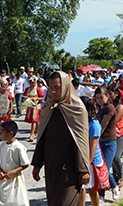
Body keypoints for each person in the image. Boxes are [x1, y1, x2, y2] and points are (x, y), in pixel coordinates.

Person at [31, 71, 90, 206]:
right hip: (52, 168)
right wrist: (37, 164)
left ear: (65, 86)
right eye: (51, 87)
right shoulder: (48, 108)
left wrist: (83, 169)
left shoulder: (77, 110)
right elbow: (42, 138)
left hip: (70, 170)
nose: (53, 91)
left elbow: (80, 142)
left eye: (57, 87)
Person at [0, 121, 30, 206]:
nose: (0, 133)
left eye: (2, 131)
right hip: (4, 179)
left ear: (10, 133)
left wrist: (13, 172)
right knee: (2, 201)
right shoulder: (2, 146)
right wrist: (0, 172)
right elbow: (0, 161)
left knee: (16, 200)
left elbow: (25, 164)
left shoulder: (18, 147)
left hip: (15, 179)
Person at [95, 86, 120, 202]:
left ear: (107, 96)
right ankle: (101, 194)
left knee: (105, 168)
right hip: (101, 142)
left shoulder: (109, 108)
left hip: (110, 142)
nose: (99, 100)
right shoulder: (100, 108)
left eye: (101, 97)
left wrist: (95, 137)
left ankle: (114, 186)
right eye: (97, 98)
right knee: (99, 168)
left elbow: (103, 125)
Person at [79, 97, 102, 206]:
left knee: (91, 189)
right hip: (83, 158)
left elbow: (93, 146)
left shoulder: (94, 124)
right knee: (82, 187)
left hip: (91, 160)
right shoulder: (81, 121)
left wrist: (87, 164)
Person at [108, 85, 123, 189]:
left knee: (116, 157)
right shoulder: (109, 105)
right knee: (111, 159)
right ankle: (114, 179)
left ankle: (121, 176)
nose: (109, 96)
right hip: (111, 134)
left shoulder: (120, 107)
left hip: (120, 134)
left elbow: (114, 120)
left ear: (116, 94)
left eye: (111, 94)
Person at [23, 76, 44, 142]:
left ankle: (31, 135)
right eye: (32, 82)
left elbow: (42, 98)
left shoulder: (38, 89)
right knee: (33, 121)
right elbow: (24, 96)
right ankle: (36, 133)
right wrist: (27, 100)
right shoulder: (27, 89)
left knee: (34, 120)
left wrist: (36, 98)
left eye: (34, 82)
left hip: (36, 106)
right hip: (30, 106)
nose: (34, 84)